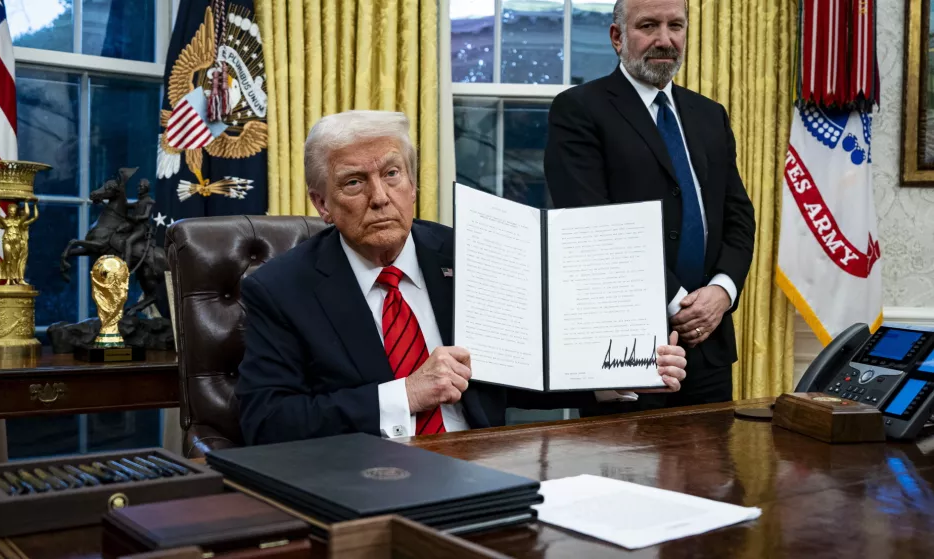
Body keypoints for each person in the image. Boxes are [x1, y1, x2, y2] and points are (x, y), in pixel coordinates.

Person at [237, 110, 689, 445]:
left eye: (392, 174)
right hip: (371, 478)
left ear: (413, 184)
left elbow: (518, 371)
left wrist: (620, 372)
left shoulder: (469, 252)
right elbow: (267, 419)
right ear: (322, 204)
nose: (380, 198)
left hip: (487, 463)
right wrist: (405, 394)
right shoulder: (281, 289)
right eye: (354, 182)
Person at [544, 0, 756, 411]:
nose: (665, 39)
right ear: (617, 37)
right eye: (648, 26)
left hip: (709, 347)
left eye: (675, 25)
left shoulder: (710, 115)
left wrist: (721, 292)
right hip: (625, 353)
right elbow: (591, 228)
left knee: (714, 473)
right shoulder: (579, 110)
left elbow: (738, 217)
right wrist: (679, 301)